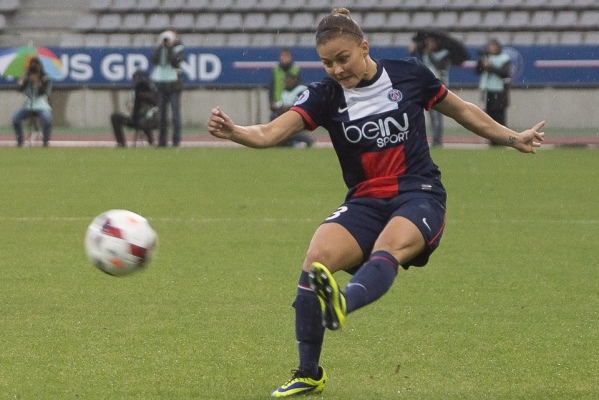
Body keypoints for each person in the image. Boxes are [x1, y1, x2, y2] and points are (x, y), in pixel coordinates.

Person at [208, 8, 545, 398]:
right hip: (366, 201)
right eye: (326, 62)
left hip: (419, 194)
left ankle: (341, 304)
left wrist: (511, 138)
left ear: (364, 47)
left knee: (388, 248)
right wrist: (234, 132)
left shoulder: (409, 74)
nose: (336, 69)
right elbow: (269, 133)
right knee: (315, 259)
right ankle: (308, 372)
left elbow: (463, 111)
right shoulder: (325, 95)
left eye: (343, 58)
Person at [409, 33, 451, 147]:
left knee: (438, 113)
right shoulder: (425, 54)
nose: (429, 44)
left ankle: (438, 139)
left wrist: (430, 54)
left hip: (439, 84)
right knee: (431, 114)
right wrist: (413, 49)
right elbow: (416, 61)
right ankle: (434, 138)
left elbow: (439, 65)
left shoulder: (444, 54)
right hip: (427, 85)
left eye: (431, 42)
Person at [151, 29, 185, 147]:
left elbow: (175, 62)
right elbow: (154, 60)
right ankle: (162, 141)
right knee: (162, 115)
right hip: (161, 84)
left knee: (175, 114)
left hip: (174, 84)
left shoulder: (179, 48)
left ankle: (176, 141)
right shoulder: (160, 48)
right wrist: (161, 47)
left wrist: (170, 48)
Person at [110, 69, 158, 147]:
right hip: (135, 118)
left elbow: (156, 106)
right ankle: (121, 143)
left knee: (143, 121)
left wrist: (147, 99)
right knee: (115, 117)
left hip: (149, 119)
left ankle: (151, 141)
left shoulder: (154, 91)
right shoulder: (134, 91)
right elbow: (131, 106)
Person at [12, 56, 53, 147]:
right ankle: (20, 141)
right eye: (32, 65)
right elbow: (20, 90)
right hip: (28, 105)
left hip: (41, 105)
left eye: (35, 65)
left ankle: (45, 141)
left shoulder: (46, 78)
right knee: (15, 119)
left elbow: (44, 92)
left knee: (47, 120)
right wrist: (21, 83)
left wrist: (37, 83)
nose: (33, 67)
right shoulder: (27, 78)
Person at [476, 38, 511, 136]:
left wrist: (490, 67)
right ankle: (492, 138)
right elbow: (477, 71)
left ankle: (502, 136)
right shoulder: (486, 58)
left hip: (499, 90)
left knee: (499, 115)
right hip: (487, 89)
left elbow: (504, 73)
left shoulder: (504, 58)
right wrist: (481, 64)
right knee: (488, 116)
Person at [272, 72, 316, 148]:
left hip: (298, 116)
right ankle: (290, 142)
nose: (286, 82)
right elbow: (282, 103)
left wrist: (288, 108)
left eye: (288, 80)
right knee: (274, 117)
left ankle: (304, 139)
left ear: (294, 80)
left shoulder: (301, 89)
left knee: (289, 132)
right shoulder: (285, 91)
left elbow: (301, 105)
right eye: (285, 80)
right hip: (286, 117)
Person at [269, 47, 301, 121]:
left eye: (287, 56)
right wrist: (271, 101)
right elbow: (271, 86)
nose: (285, 58)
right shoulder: (276, 69)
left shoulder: (295, 69)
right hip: (278, 104)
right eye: (283, 56)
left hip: (292, 105)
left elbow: (299, 87)